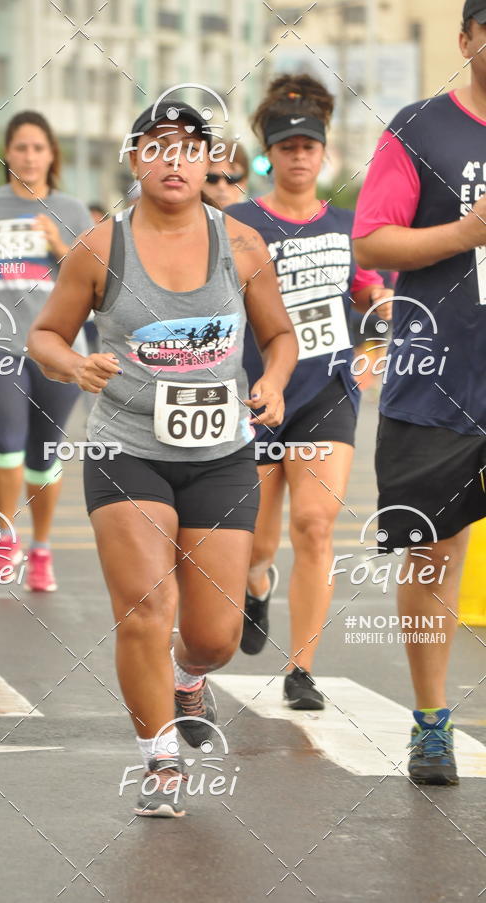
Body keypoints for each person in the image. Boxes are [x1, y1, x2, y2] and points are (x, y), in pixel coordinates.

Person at [28, 100, 298, 817]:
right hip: (127, 448)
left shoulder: (241, 246)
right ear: (135, 158)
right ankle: (159, 759)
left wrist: (270, 381)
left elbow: (279, 337)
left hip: (220, 456)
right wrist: (72, 366)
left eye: (189, 148)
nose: (174, 160)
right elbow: (46, 336)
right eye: (158, 146)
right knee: (146, 607)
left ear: (211, 160)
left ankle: (188, 677)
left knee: (215, 635)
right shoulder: (98, 247)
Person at [226, 74, 393, 708]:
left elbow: (368, 284)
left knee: (316, 526)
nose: (299, 156)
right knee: (258, 544)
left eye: (309, 146)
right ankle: (256, 586)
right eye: (288, 146)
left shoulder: (350, 225)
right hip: (259, 393)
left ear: (324, 154)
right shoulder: (237, 223)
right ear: (271, 154)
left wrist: (377, 298)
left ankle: (301, 671)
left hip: (329, 389)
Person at [352, 0, 486, 786]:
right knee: (434, 555)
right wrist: (464, 235)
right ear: (467, 38)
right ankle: (432, 723)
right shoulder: (420, 128)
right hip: (440, 381)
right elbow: (371, 238)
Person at [0, 111, 91, 592]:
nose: (29, 156)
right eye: (20, 147)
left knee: (42, 457)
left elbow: (92, 276)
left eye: (38, 148)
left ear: (52, 155)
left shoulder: (72, 211)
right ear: (6, 153)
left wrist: (57, 245)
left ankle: (41, 547)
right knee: (7, 444)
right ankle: (5, 535)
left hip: (57, 347)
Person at [203, 140, 249, 210]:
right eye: (212, 178)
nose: (221, 186)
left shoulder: (257, 219)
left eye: (231, 179)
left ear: (244, 183)